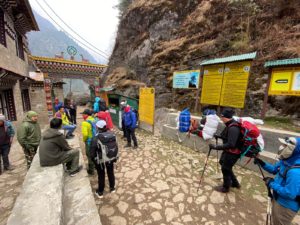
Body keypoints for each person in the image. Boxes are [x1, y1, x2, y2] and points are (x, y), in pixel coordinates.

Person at [254, 137, 300, 225]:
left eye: (285, 145)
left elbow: (290, 193)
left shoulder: (295, 172)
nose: (282, 147)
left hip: (285, 206)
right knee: (274, 220)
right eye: (283, 145)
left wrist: (271, 184)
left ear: (294, 150)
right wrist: (262, 163)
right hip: (278, 197)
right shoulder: (287, 161)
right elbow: (274, 169)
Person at [209, 107, 242, 193]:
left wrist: (216, 147)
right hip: (229, 151)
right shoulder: (230, 125)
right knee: (222, 162)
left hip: (233, 152)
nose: (221, 118)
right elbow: (228, 138)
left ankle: (225, 187)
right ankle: (235, 183)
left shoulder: (233, 128)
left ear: (225, 117)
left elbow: (231, 144)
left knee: (225, 168)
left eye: (222, 117)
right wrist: (218, 136)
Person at [90, 120, 116, 198]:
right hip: (110, 157)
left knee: (101, 174)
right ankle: (112, 188)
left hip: (100, 159)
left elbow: (92, 151)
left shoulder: (96, 137)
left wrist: (94, 161)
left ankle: (100, 192)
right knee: (110, 172)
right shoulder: (111, 134)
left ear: (98, 128)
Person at [81, 108, 95, 175]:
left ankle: (91, 170)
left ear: (86, 115)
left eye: (83, 114)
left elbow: (85, 134)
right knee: (95, 153)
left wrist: (84, 140)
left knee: (89, 155)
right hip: (95, 140)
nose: (82, 116)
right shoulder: (94, 120)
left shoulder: (85, 123)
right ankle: (95, 166)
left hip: (89, 141)